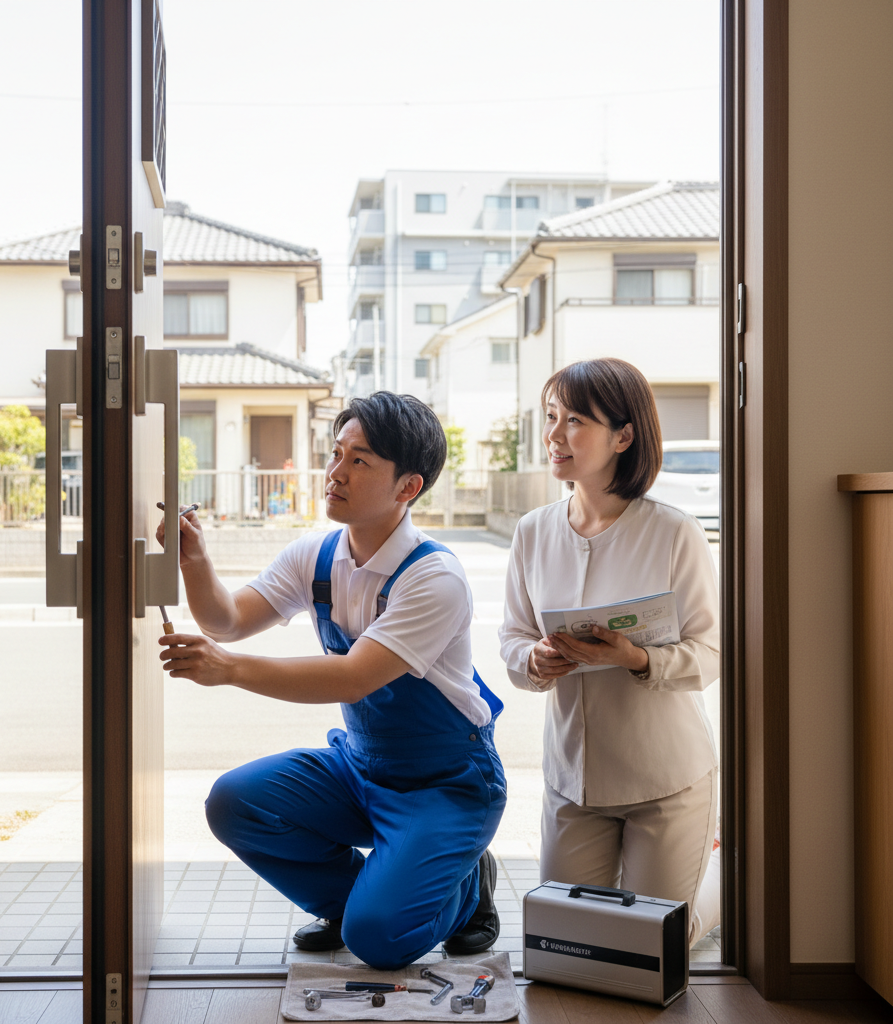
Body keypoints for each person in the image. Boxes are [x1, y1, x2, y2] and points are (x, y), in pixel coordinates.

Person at [157, 392, 507, 970]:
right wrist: (196, 562)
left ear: (408, 487)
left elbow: (352, 678)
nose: (335, 473)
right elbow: (229, 620)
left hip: (444, 784)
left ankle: (466, 888)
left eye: (360, 461)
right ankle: (366, 900)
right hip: (361, 767)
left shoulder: (434, 578)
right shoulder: (315, 557)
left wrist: (228, 669)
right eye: (336, 453)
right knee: (235, 803)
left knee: (379, 945)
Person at [498, 358, 720, 945]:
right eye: (550, 418)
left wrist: (638, 659)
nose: (553, 436)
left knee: (655, 941)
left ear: (623, 435)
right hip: (574, 781)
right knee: (570, 940)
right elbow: (513, 638)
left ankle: (720, 876)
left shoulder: (674, 532)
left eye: (575, 420)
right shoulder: (533, 532)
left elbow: (712, 653)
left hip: (665, 778)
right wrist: (534, 661)